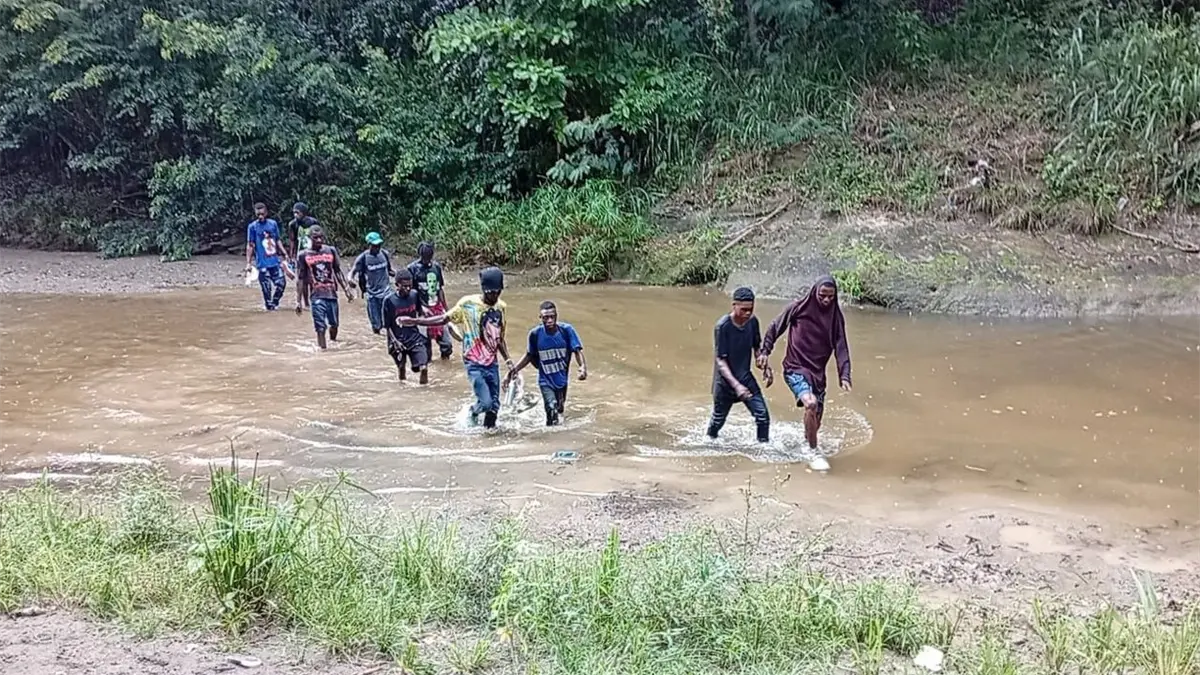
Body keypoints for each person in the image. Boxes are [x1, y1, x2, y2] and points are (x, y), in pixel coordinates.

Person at [758, 275, 852, 471]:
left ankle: (806, 442)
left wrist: (845, 374)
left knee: (816, 418)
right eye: (822, 296)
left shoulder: (835, 317)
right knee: (811, 403)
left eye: (831, 297)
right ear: (814, 293)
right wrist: (765, 351)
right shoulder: (798, 308)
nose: (826, 300)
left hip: (818, 373)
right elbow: (775, 327)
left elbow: (841, 346)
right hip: (795, 368)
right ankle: (812, 451)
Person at [399, 266, 512, 429]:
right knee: (486, 403)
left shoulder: (501, 307)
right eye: (490, 292)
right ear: (483, 289)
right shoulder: (467, 305)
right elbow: (443, 320)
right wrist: (415, 321)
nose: (494, 296)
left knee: (494, 408)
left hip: (492, 363)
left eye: (497, 292)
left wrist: (508, 360)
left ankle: (487, 437)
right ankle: (472, 411)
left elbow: (499, 338)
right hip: (474, 362)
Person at [504, 301, 588, 426]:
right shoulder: (535, 334)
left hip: (561, 380)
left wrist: (582, 367)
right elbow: (529, 355)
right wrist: (512, 372)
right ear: (540, 318)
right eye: (545, 318)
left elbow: (577, 350)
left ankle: (556, 434)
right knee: (551, 406)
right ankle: (549, 437)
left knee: (559, 409)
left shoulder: (566, 331)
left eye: (552, 317)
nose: (549, 320)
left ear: (556, 316)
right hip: (545, 380)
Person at [708, 287, 773, 444]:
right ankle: (709, 444)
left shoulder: (752, 322)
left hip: (745, 377)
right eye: (743, 310)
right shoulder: (723, 327)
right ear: (734, 305)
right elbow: (720, 361)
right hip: (725, 383)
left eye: (750, 309)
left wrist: (764, 364)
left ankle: (764, 449)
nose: (747, 314)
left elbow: (756, 347)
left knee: (763, 416)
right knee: (717, 421)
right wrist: (737, 386)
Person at [295, 225, 355, 349]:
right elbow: (300, 278)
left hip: (331, 293)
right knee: (320, 326)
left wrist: (346, 289)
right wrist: (298, 301)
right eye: (315, 238)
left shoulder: (330, 250)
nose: (319, 240)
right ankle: (323, 349)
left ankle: (333, 341)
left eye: (321, 237)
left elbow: (337, 271)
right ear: (309, 238)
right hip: (316, 295)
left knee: (334, 324)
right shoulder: (303, 255)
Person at [408, 242, 454, 360]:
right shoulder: (412, 269)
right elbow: (411, 293)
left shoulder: (436, 267)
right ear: (420, 255)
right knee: (425, 346)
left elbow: (440, 290)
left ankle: (445, 365)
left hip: (437, 309)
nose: (427, 260)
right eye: (425, 257)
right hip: (422, 311)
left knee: (447, 345)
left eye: (429, 257)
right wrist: (420, 308)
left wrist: (447, 310)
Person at [383, 269, 429, 384]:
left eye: (410, 285)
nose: (408, 289)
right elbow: (387, 326)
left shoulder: (414, 295)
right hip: (397, 340)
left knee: (424, 367)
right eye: (404, 286)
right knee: (401, 368)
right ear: (397, 285)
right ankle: (403, 386)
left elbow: (420, 313)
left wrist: (425, 316)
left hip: (414, 338)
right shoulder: (389, 301)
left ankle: (424, 392)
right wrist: (395, 342)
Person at [244, 202, 289, 311]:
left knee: (281, 284)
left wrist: (285, 253)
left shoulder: (273, 224)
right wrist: (248, 263)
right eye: (258, 215)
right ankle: (270, 306)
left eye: (262, 214)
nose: (260, 217)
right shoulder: (252, 227)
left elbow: (277, 240)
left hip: (274, 261)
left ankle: (275, 302)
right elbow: (250, 245)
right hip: (262, 264)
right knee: (267, 290)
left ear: (266, 213)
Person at [352, 232, 395, 334]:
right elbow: (351, 273)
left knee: (391, 322)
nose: (377, 248)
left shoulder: (384, 254)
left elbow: (390, 271)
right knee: (376, 326)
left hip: (387, 292)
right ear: (369, 245)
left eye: (379, 245)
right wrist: (350, 280)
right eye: (375, 246)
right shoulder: (363, 258)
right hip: (372, 295)